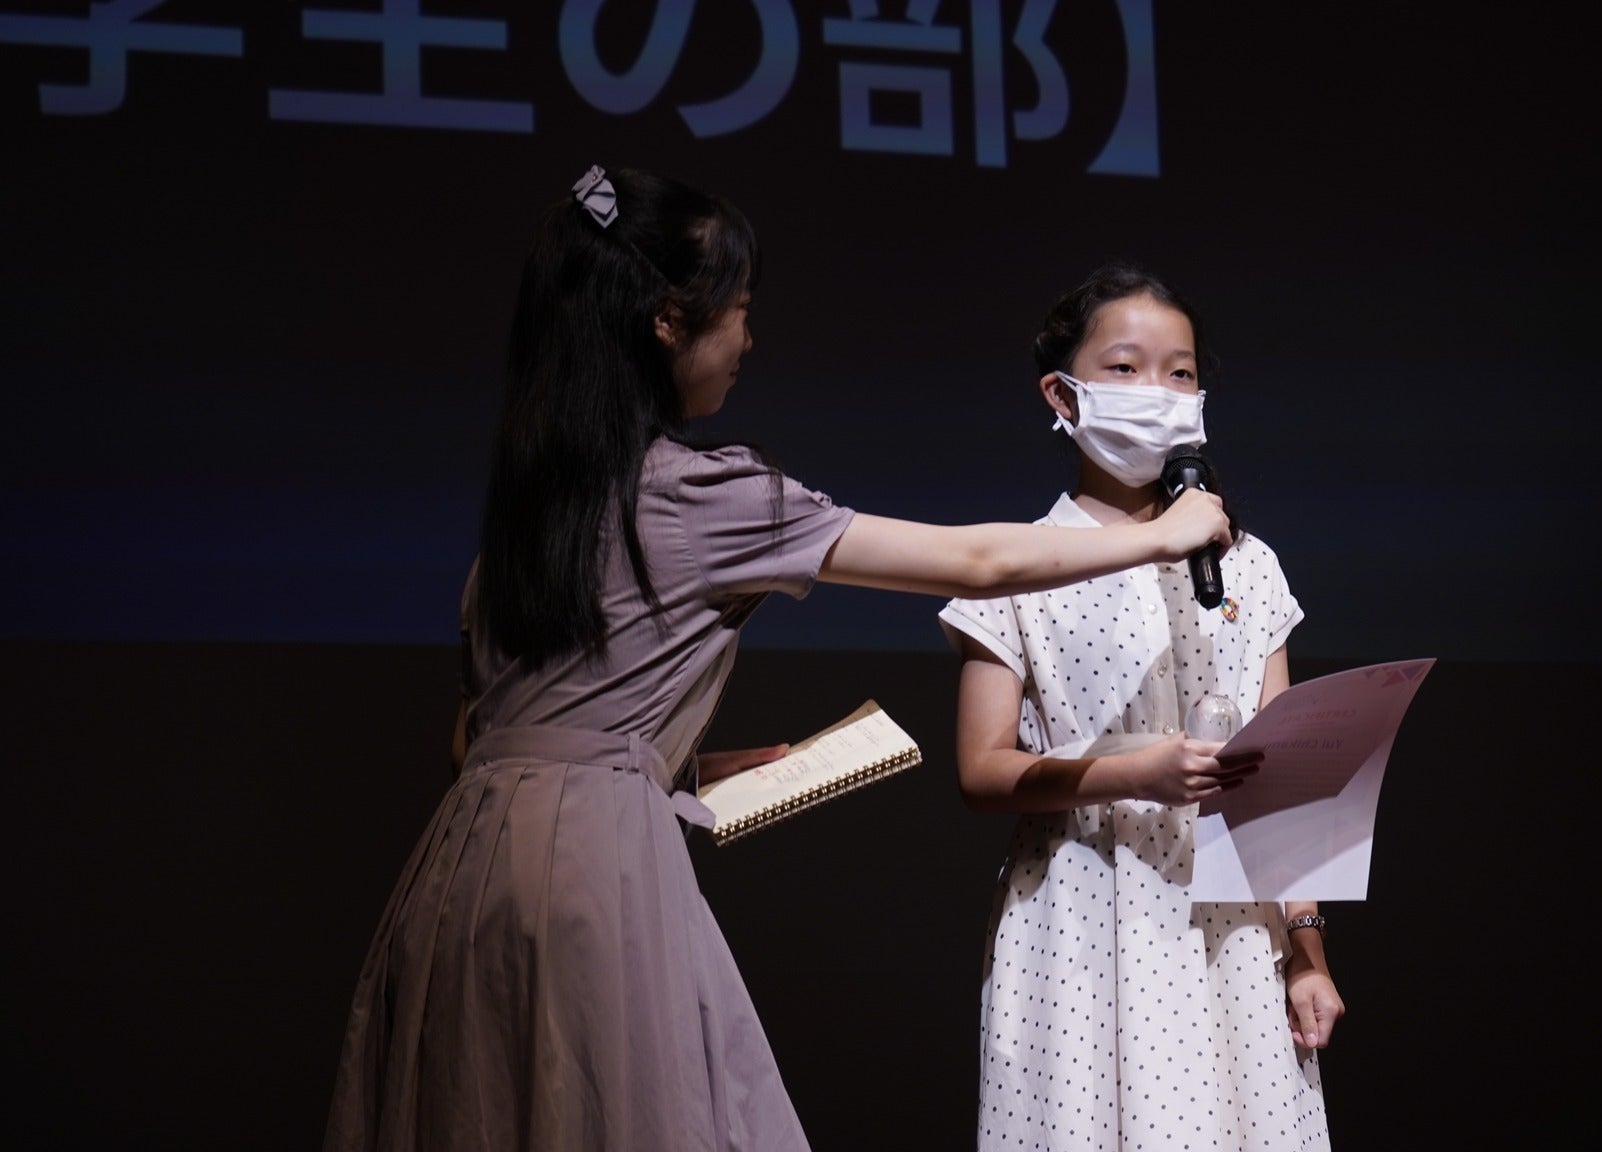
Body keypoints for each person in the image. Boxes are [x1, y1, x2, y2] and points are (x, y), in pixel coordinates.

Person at [322, 169, 1232, 1152]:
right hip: (588, 871)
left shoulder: (527, 517)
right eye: (739, 311)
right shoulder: (701, 494)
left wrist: (666, 768)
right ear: (669, 321)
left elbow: (480, 743)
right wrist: (1160, 534)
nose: (747, 340)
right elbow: (975, 561)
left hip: (460, 871)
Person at [940, 262, 1343, 1150]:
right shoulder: (1017, 565)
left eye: (1180, 372)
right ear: (1064, 393)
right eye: (1125, 368)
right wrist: (1135, 772)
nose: (1157, 391)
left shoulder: (1249, 566)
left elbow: (1281, 785)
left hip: (1233, 933)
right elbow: (982, 770)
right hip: (1079, 917)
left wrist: (1307, 953)